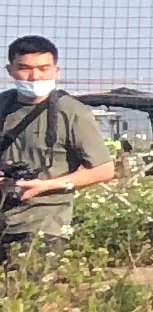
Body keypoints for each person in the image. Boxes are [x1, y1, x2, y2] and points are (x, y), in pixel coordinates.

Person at [0, 39, 117, 272]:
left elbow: (104, 170)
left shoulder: (71, 111)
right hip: (4, 217)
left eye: (44, 68)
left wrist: (45, 185)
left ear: (56, 70)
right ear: (10, 70)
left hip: (43, 221)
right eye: (25, 68)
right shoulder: (3, 105)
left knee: (23, 292)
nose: (35, 77)